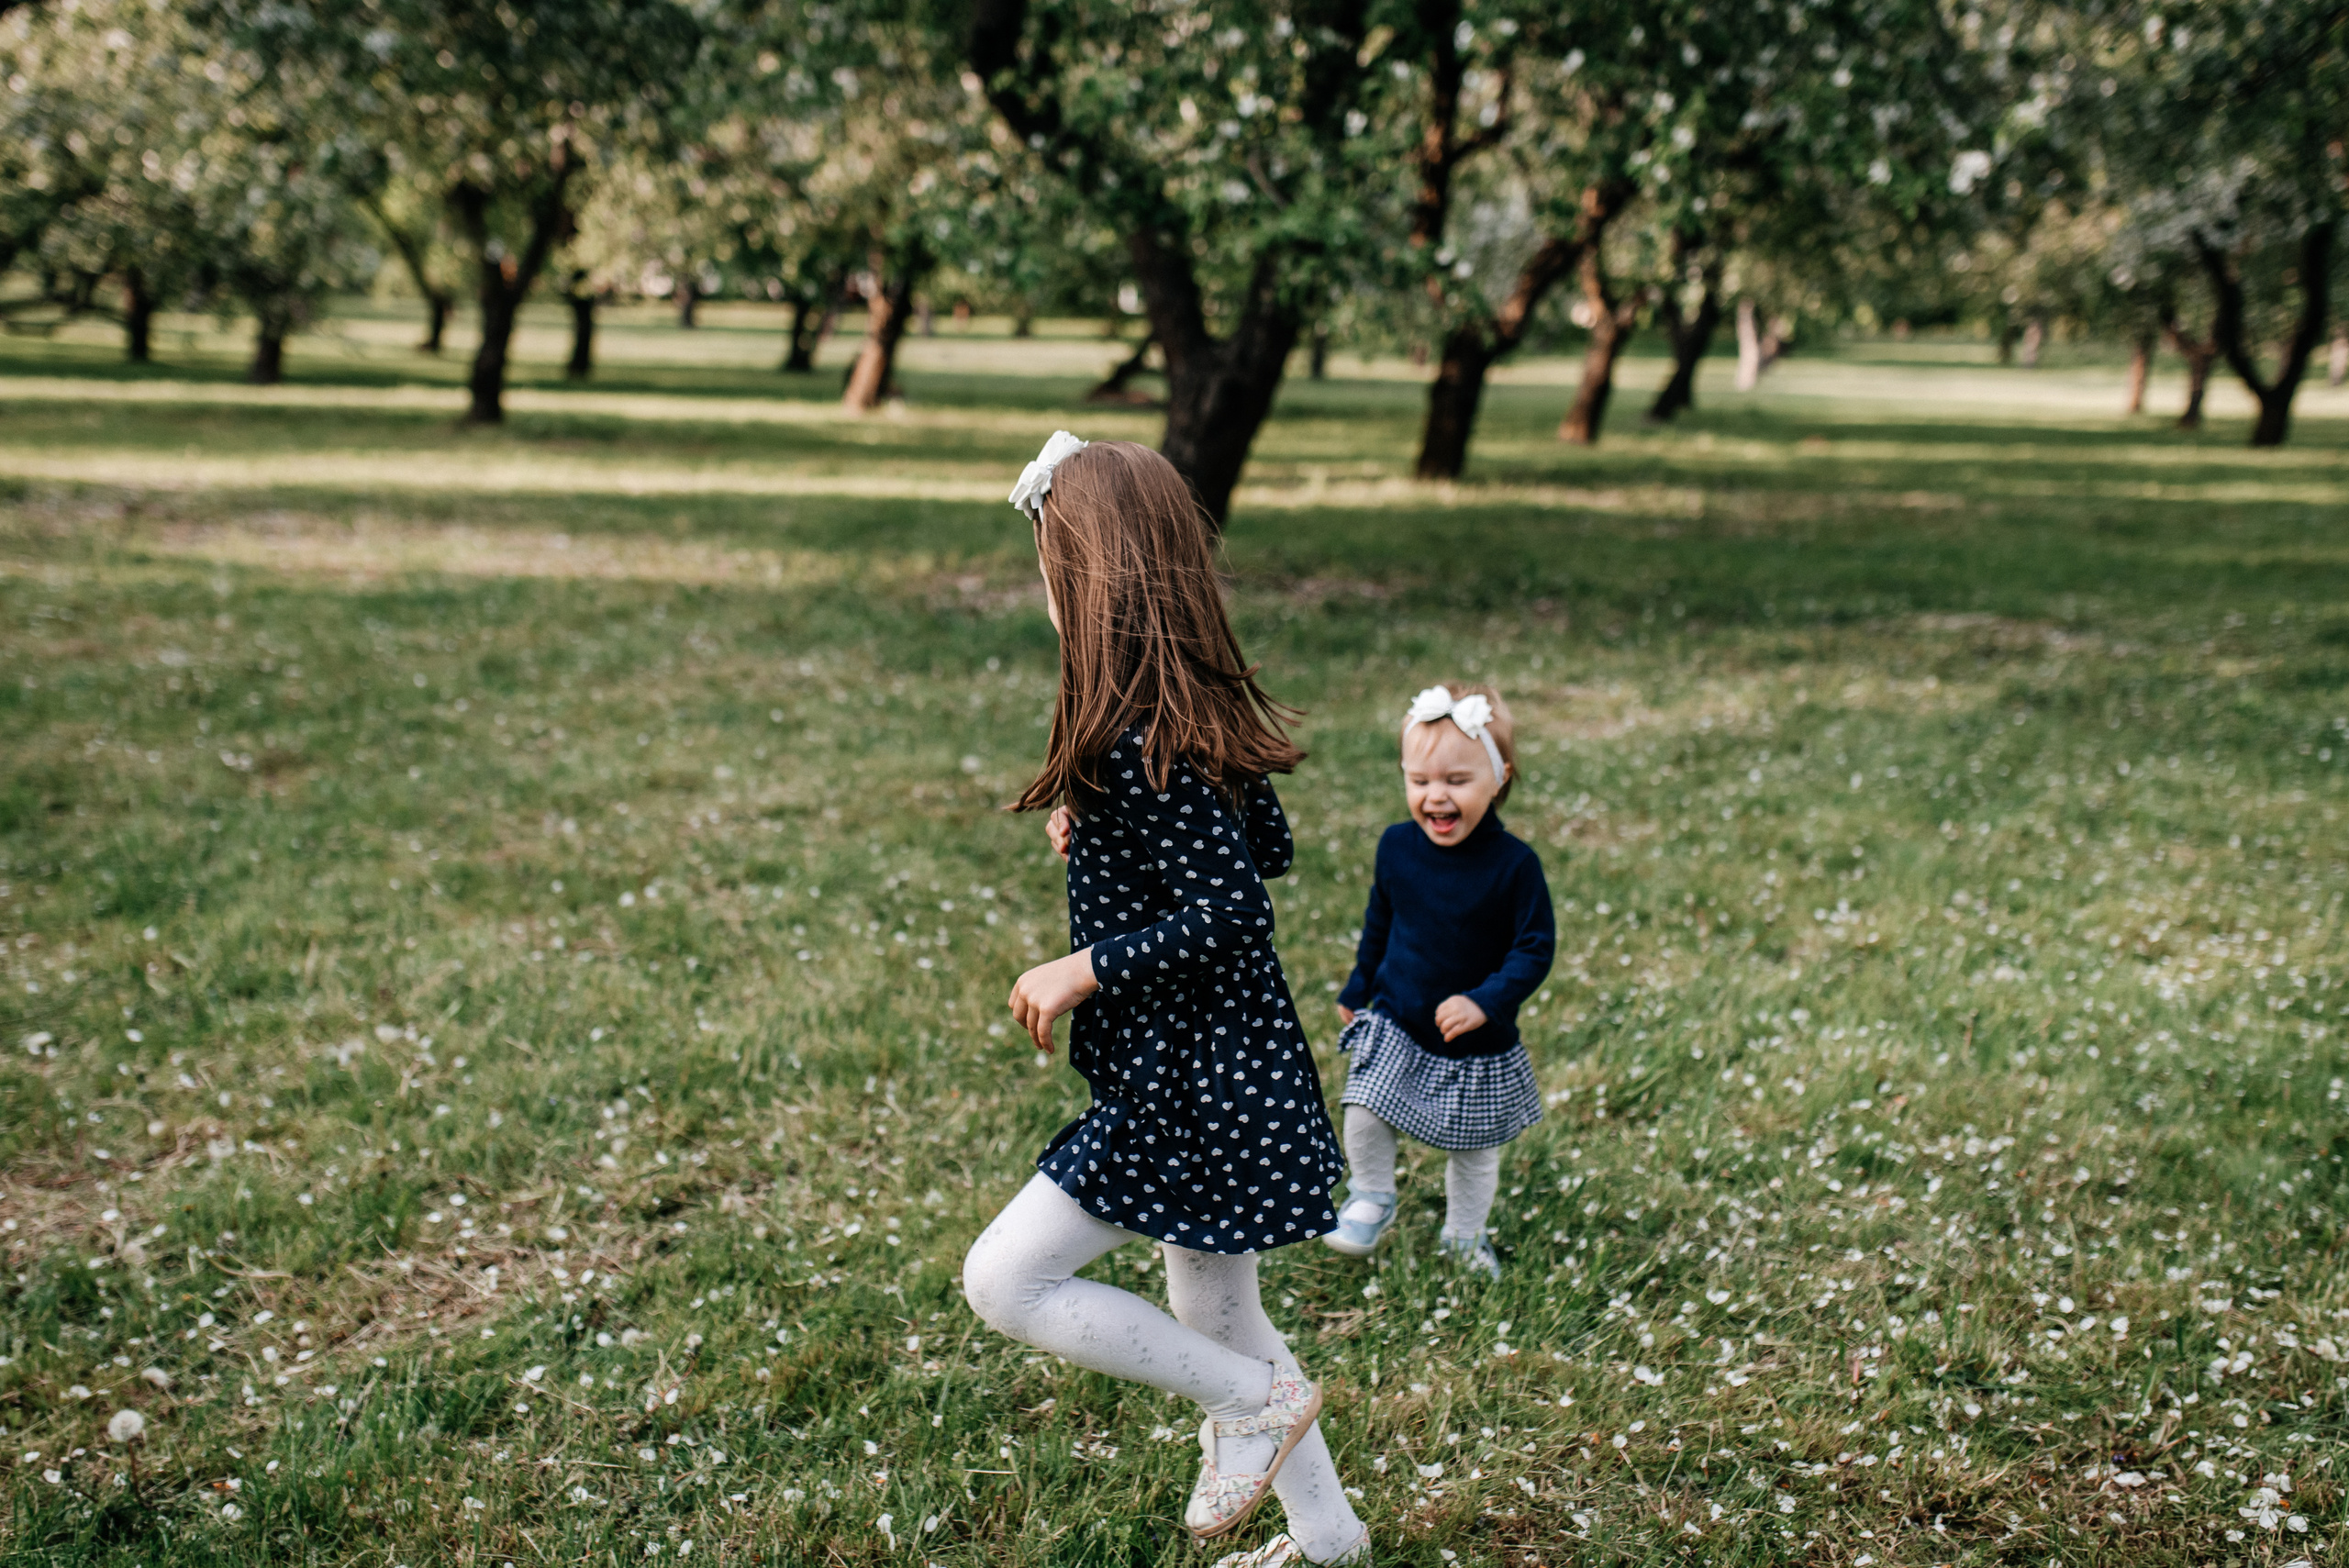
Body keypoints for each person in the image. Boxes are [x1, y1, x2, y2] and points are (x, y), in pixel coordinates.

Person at [961, 432, 1370, 1567]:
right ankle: (1327, 1535)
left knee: (1007, 1277)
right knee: (1219, 1313)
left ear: (1084, 580)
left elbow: (1238, 904)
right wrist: (1102, 832)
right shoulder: (1174, 723)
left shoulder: (1151, 739)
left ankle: (1247, 1405)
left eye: (1048, 567)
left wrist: (1078, 963)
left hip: (1185, 1084)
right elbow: (1264, 840)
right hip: (1212, 1068)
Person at [1324, 684, 1555, 1278]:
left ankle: (1463, 1234)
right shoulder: (1397, 847)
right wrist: (1358, 986)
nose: (1435, 796)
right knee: (1364, 1107)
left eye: (1456, 780)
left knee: (1473, 1150)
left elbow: (1534, 948)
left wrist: (1486, 1001)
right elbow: (1381, 921)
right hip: (1398, 1016)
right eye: (1420, 780)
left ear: (1499, 779)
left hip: (1473, 1039)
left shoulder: (1514, 866)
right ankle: (1372, 1195)